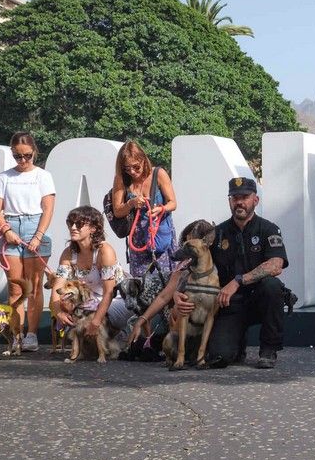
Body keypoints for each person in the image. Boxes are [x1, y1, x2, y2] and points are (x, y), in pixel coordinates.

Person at [173, 178, 289, 369]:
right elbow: (193, 263)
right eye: (234, 198)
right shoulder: (217, 233)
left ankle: (269, 349)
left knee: (272, 286)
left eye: (244, 197)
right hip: (228, 304)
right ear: (229, 201)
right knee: (219, 357)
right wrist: (178, 292)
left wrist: (238, 281)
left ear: (255, 201)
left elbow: (276, 265)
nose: (239, 202)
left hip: (259, 299)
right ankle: (236, 345)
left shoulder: (268, 229)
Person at [0, 131, 56, 353]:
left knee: (35, 286)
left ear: (34, 152)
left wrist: (38, 235)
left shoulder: (43, 175)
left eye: (27, 155)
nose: (23, 160)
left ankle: (32, 334)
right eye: (18, 156)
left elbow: (48, 208)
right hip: (10, 224)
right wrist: (6, 229)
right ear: (12, 154)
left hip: (34, 224)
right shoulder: (4, 177)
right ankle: (17, 335)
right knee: (16, 288)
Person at [126, 219, 217, 348]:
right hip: (183, 318)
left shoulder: (214, 267)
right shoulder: (182, 268)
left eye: (190, 245)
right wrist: (142, 320)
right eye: (185, 242)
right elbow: (164, 297)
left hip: (210, 317)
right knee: (176, 309)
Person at [50, 206, 121, 348]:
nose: (73, 227)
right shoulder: (68, 254)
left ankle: (118, 335)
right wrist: (58, 312)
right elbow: (57, 288)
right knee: (63, 302)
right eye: (70, 223)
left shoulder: (104, 251)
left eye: (79, 224)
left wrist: (95, 321)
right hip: (91, 300)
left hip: (116, 300)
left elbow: (109, 292)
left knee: (89, 314)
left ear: (93, 228)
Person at [110, 141, 177, 278]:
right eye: (127, 168)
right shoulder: (121, 179)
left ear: (143, 159)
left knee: (166, 279)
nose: (132, 172)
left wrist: (161, 209)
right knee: (141, 283)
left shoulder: (158, 173)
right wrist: (131, 203)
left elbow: (173, 203)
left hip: (159, 235)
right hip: (138, 239)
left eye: (136, 167)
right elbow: (117, 211)